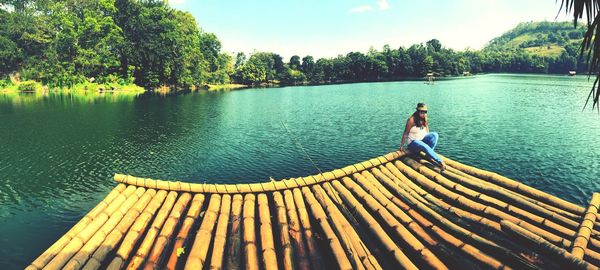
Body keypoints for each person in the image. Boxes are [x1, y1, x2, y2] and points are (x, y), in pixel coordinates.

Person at [399, 102, 446, 170]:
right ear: (418, 111)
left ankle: (428, 154)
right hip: (413, 144)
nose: (424, 113)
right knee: (424, 146)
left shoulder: (425, 117)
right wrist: (401, 146)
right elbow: (405, 133)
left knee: (435, 135)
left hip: (422, 140)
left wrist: (429, 137)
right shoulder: (411, 120)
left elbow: (427, 127)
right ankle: (440, 162)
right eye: (422, 111)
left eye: (425, 111)